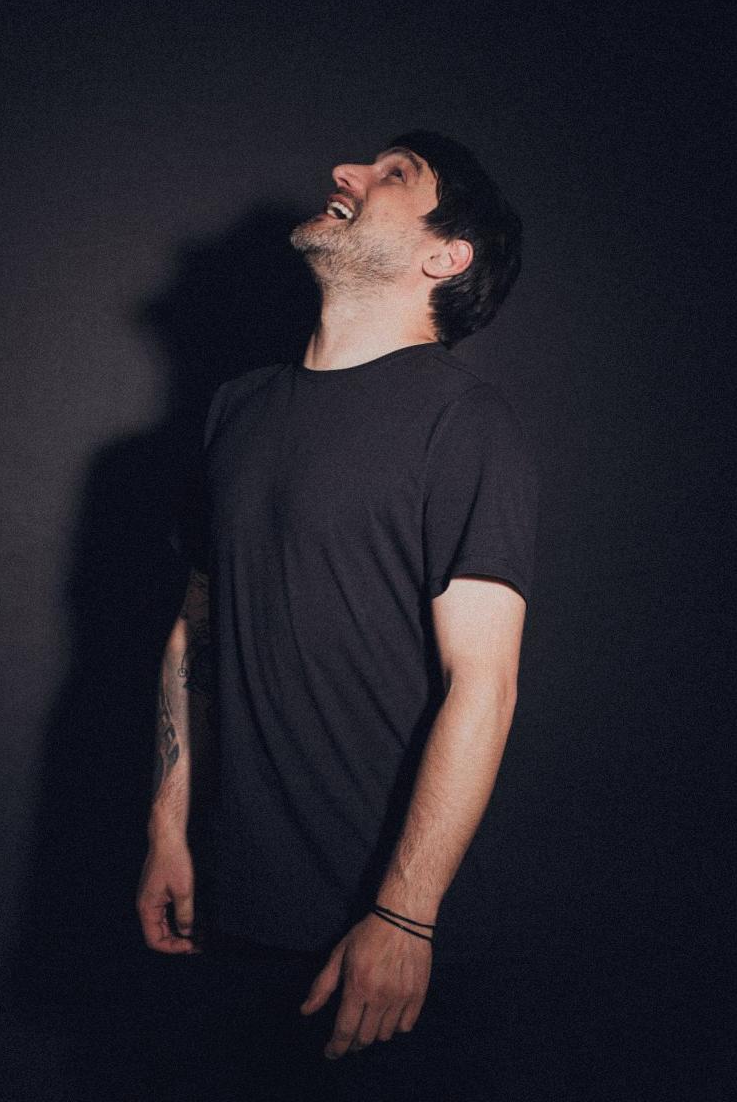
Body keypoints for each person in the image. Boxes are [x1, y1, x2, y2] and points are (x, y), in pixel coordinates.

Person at [137, 130, 539, 1101]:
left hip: (380, 940)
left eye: (393, 174)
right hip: (231, 915)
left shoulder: (465, 423)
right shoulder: (235, 409)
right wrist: (167, 826)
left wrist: (403, 917)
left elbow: (481, 683)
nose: (345, 174)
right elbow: (197, 628)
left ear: (447, 256)